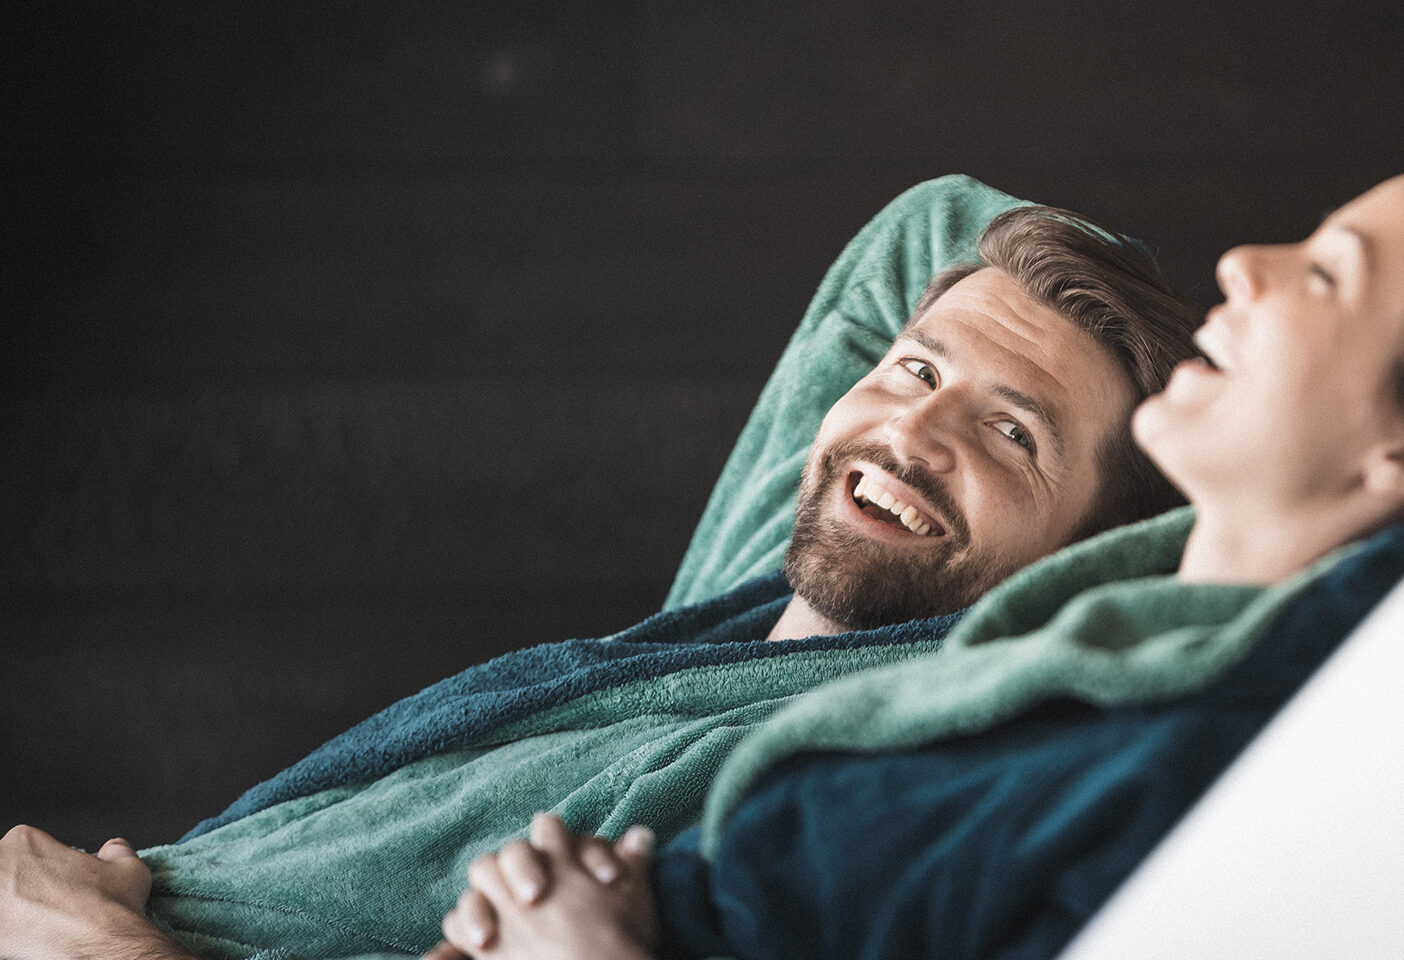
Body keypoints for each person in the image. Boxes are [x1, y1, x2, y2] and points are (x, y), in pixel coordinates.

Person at [423, 161, 1404, 960]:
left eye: (1329, 276)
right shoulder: (1126, 629)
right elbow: (940, 228)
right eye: (914, 371)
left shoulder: (1234, 766)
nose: (1245, 263)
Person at [0, 177, 1201, 960]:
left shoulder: (825, 776)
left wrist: (100, 952)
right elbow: (933, 229)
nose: (910, 438)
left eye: (1012, 435)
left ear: (1090, 560)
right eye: (915, 370)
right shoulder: (740, 611)